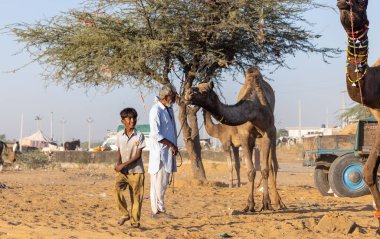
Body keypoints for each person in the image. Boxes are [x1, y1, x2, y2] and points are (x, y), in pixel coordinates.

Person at [148, 83, 178, 218]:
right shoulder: (156, 110)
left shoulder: (169, 110)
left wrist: (173, 146)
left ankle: (161, 208)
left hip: (169, 153)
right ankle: (156, 211)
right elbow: (155, 134)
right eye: (172, 95)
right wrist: (170, 144)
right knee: (157, 183)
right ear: (166, 96)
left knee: (164, 182)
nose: (175, 98)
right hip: (159, 154)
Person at [114, 108, 146, 228]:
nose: (132, 120)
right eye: (129, 118)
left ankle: (135, 222)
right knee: (117, 190)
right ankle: (125, 214)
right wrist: (118, 164)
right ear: (123, 121)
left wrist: (123, 164)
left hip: (136, 171)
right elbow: (119, 151)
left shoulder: (139, 136)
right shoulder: (119, 135)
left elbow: (138, 155)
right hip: (122, 172)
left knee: (136, 198)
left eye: (134, 118)